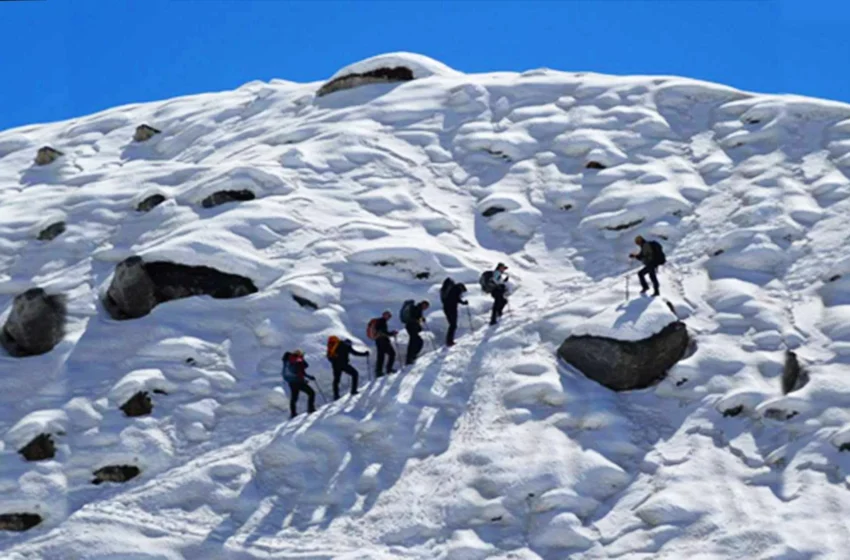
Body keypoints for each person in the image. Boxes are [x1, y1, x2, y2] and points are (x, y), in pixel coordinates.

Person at [281, 349, 315, 419]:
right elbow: (305, 367)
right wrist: (307, 378)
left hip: (291, 382)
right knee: (311, 393)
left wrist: (307, 378)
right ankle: (310, 409)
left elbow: (299, 371)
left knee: (294, 398)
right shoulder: (297, 360)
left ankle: (293, 414)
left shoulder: (288, 361)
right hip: (298, 381)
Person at [441, 279, 468, 347]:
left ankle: (449, 340)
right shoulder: (457, 289)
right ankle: (449, 341)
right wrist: (464, 302)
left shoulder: (449, 289)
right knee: (453, 325)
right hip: (452, 308)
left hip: (446, 308)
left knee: (452, 325)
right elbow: (457, 298)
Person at [372, 310, 398, 378]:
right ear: (384, 315)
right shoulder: (382, 321)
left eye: (389, 316)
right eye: (388, 315)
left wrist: (390, 333)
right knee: (392, 353)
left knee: (381, 356)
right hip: (383, 340)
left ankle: (379, 371)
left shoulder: (380, 321)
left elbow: (381, 331)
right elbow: (383, 332)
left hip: (378, 340)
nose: (388, 317)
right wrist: (392, 333)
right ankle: (388, 369)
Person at [404, 300, 430, 365]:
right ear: (423, 304)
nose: (425, 308)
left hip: (410, 326)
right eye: (426, 306)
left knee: (415, 341)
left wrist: (420, 320)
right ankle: (410, 358)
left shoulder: (418, 308)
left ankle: (411, 357)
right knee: (415, 342)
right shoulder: (417, 308)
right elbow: (415, 318)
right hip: (412, 326)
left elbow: (416, 318)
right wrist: (421, 319)